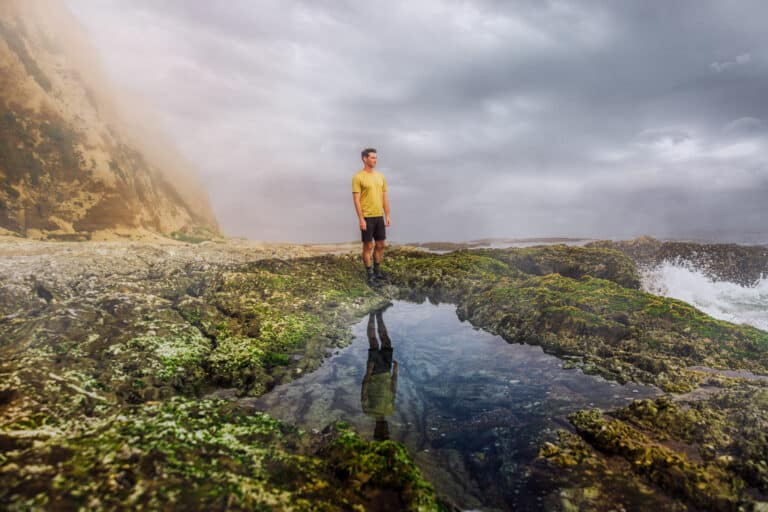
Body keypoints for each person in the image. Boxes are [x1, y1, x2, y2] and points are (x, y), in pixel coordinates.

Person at [352, 148, 390, 286]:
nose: (375, 160)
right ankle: (370, 275)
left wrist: (388, 214)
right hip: (367, 217)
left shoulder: (380, 176)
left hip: (379, 216)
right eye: (372, 157)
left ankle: (377, 271)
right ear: (364, 159)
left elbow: (384, 196)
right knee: (368, 246)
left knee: (381, 245)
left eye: (376, 158)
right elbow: (356, 200)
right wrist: (361, 219)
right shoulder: (358, 177)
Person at [360, 305, 397, 440]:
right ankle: (379, 314)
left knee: (374, 343)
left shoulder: (368, 411)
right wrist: (395, 373)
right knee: (386, 340)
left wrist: (369, 371)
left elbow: (364, 389)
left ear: (377, 430)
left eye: (384, 432)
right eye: (387, 432)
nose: (386, 429)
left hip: (375, 372)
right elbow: (393, 390)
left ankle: (371, 314)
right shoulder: (390, 411)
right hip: (386, 370)